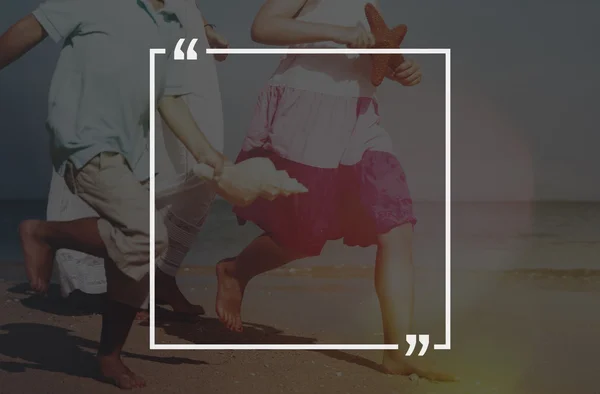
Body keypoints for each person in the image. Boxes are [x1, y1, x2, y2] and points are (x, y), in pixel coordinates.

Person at [214, 0, 454, 381]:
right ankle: (235, 272)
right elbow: (263, 27)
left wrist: (399, 68)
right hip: (307, 110)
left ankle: (397, 352)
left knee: (396, 224)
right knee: (302, 236)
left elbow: (371, 54)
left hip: (361, 114)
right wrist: (337, 33)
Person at [0, 0, 232, 388]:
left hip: (134, 154)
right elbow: (30, 28)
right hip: (83, 138)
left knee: (136, 256)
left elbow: (169, 97)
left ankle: (109, 356)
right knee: (146, 234)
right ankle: (44, 233)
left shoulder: (170, 25)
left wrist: (207, 152)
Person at [46, 2, 229, 322]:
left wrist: (206, 29)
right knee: (134, 146)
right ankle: (90, 281)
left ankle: (160, 274)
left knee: (199, 167)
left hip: (182, 28)